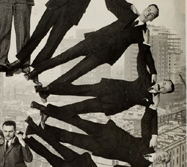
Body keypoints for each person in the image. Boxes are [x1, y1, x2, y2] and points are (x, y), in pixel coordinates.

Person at [31, 0, 159, 100]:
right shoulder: (128, 14)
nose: (149, 13)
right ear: (145, 8)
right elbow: (111, 3)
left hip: (102, 55)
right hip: (92, 41)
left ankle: (47, 91)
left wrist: (153, 71)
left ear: (152, 19)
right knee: (62, 57)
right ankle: (34, 72)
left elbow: (146, 54)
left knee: (73, 74)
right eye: (149, 9)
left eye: (152, 14)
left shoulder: (143, 33)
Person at [6, 0, 108, 82]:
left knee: (52, 43)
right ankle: (20, 61)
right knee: (38, 33)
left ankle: (36, 69)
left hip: (70, 16)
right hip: (55, 6)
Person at [31, 41, 174, 123]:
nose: (161, 86)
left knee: (78, 108)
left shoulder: (151, 101)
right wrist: (146, 45)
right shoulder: (147, 79)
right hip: (107, 88)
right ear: (161, 80)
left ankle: (48, 111)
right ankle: (45, 90)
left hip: (112, 104)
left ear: (164, 93)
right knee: (76, 89)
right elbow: (141, 60)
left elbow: (150, 120)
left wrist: (154, 107)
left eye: (164, 89)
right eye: (163, 84)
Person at [37, 112, 170, 167]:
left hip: (103, 148)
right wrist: (155, 134)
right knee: (79, 122)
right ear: (161, 150)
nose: (163, 158)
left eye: (164, 160)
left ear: (160, 163)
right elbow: (147, 121)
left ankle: (44, 128)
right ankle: (49, 111)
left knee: (72, 139)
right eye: (165, 155)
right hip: (108, 133)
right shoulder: (150, 143)